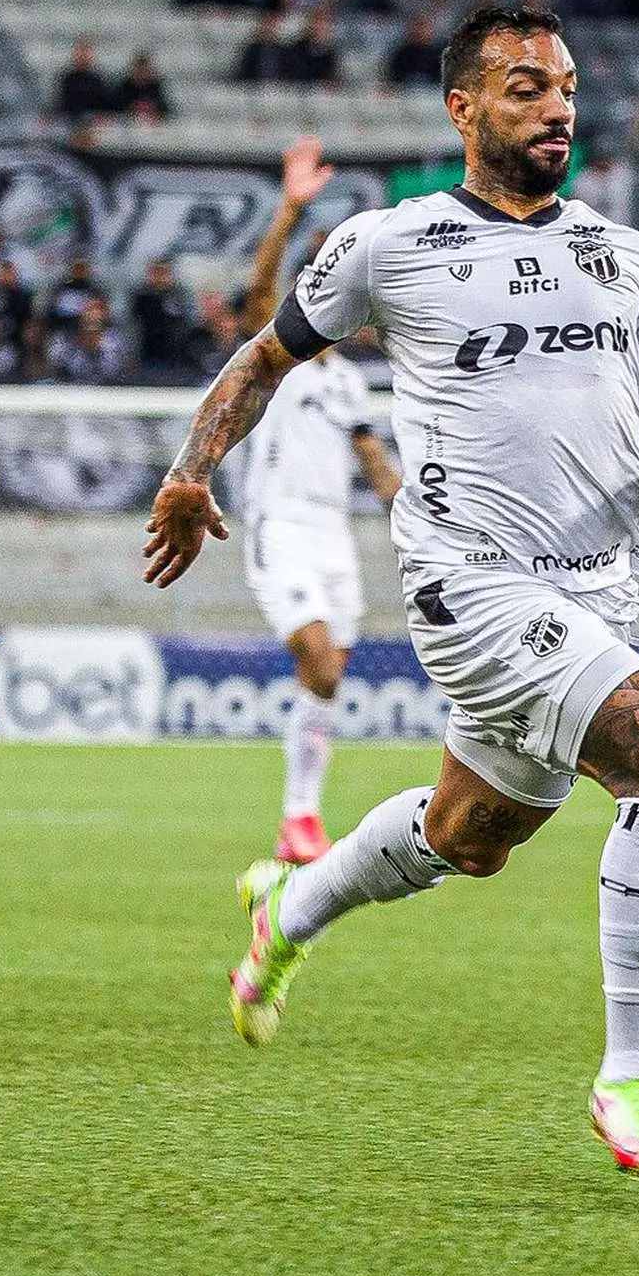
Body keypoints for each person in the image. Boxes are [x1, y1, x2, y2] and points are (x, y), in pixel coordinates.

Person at [144, 7, 639, 1181]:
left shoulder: (625, 255)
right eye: (524, 87)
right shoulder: (389, 245)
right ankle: (631, 1074)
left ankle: (288, 915)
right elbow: (261, 360)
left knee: (465, 837)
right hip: (469, 585)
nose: (556, 109)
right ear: (462, 108)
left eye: (567, 87)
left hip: (596, 593)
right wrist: (193, 470)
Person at [229, 136, 403, 862]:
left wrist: (416, 511)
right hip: (282, 527)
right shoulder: (282, 359)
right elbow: (257, 295)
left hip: (334, 535)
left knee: (329, 675)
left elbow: (372, 459)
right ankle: (299, 811)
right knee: (320, 662)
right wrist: (289, 211)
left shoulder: (347, 381)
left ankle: (298, 816)